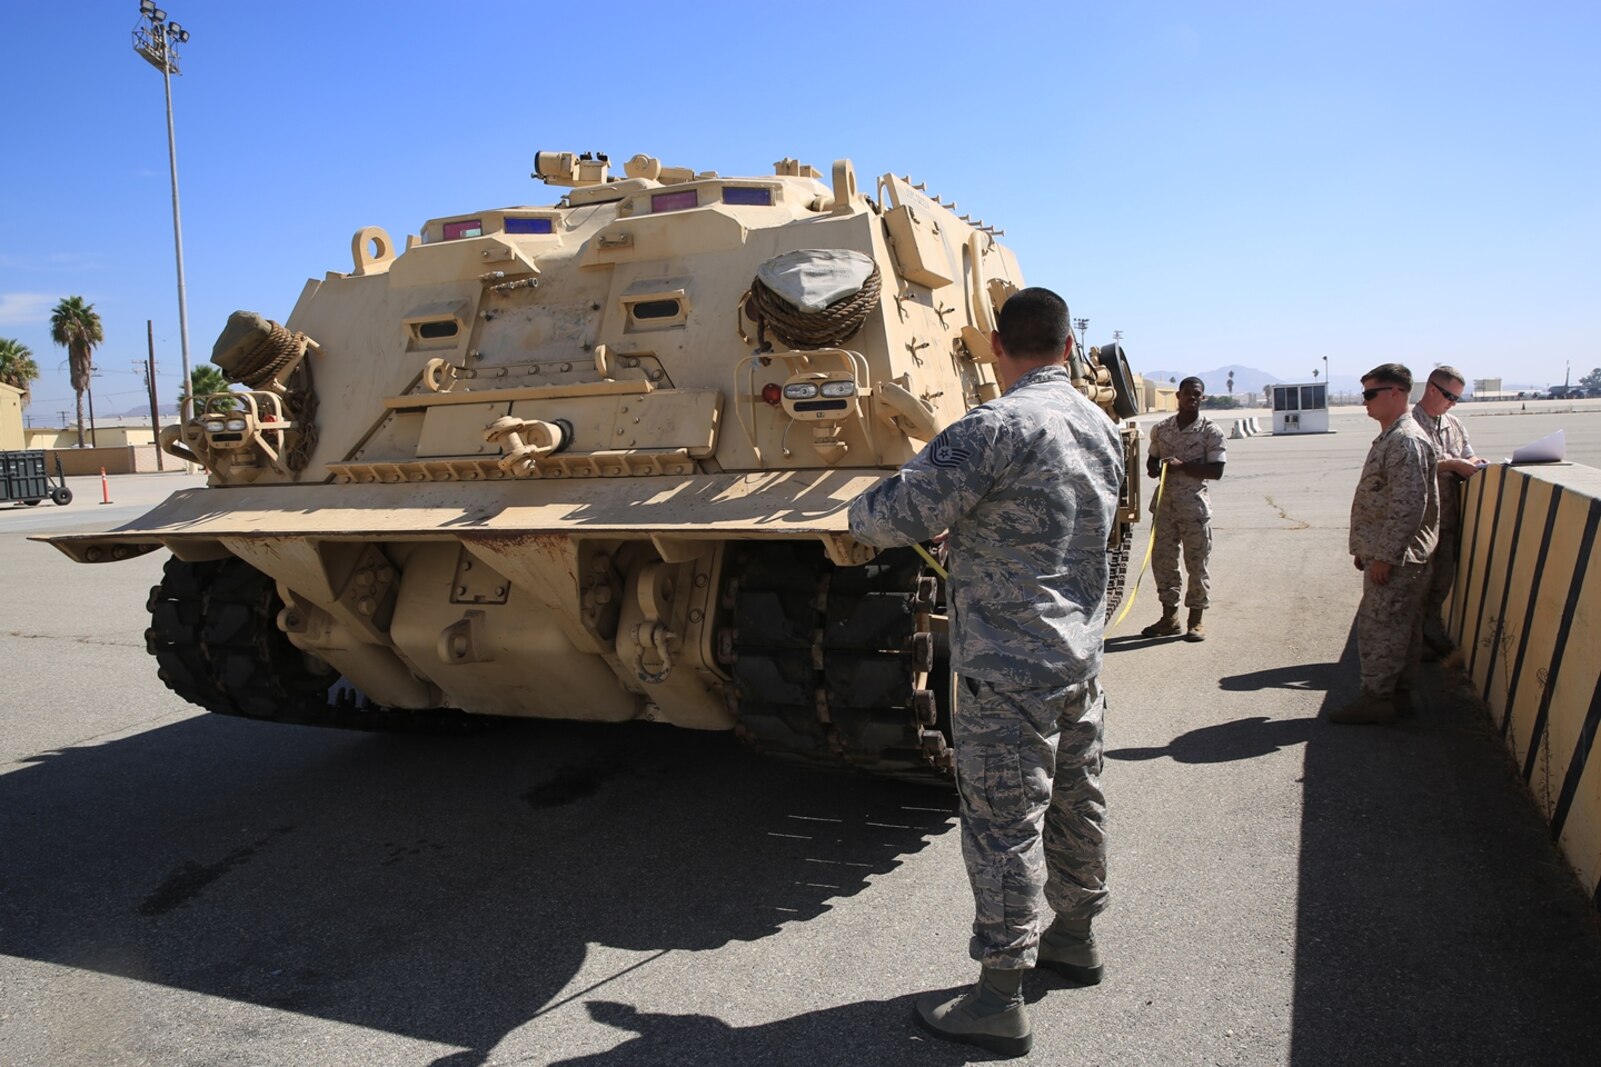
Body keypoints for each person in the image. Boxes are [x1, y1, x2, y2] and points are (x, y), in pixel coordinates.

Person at [847, 288, 1124, 1057]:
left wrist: (856, 515)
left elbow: (887, 516)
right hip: (1077, 657)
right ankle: (1075, 939)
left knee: (1003, 827)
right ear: (1068, 349)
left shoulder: (993, 426)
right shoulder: (1098, 424)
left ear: (996, 349)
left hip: (1007, 667)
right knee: (1077, 800)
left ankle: (1000, 996)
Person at [1334, 363, 1440, 725]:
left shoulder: (1405, 439)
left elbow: (1408, 506)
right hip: (1394, 556)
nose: (1364, 402)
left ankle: (1377, 698)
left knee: (1381, 628)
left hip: (1397, 560)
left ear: (1395, 393)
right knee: (1401, 630)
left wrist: (1385, 556)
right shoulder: (1395, 436)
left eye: (1370, 394)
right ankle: (1399, 696)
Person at [1140, 376, 1226, 641]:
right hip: (1165, 507)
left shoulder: (1211, 431)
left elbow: (1217, 471)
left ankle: (1196, 620)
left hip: (1194, 508)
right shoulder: (1162, 429)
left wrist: (1183, 466)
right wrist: (1154, 467)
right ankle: (1170, 618)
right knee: (1164, 563)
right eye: (1187, 393)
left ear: (1203, 398)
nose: (1192, 398)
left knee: (1196, 564)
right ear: (1178, 396)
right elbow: (1151, 459)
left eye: (1197, 394)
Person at [1412, 365, 1482, 657]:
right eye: (1449, 396)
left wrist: (1474, 461)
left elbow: (1467, 452)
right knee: (1418, 585)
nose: (1452, 403)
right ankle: (1414, 643)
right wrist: (1452, 465)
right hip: (1420, 521)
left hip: (1448, 517)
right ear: (1431, 389)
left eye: (1456, 399)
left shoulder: (1453, 423)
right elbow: (1413, 467)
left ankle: (1430, 634)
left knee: (1442, 580)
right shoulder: (1409, 423)